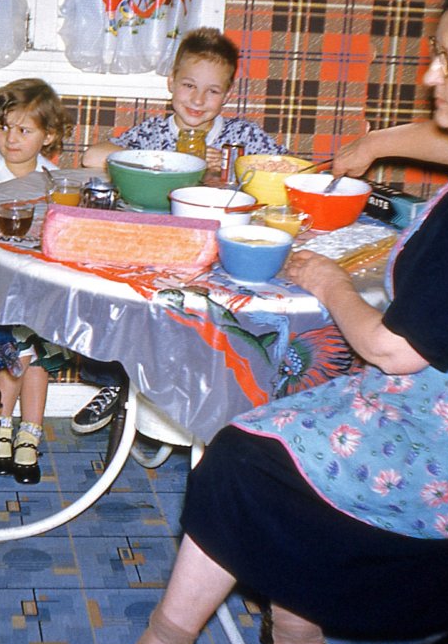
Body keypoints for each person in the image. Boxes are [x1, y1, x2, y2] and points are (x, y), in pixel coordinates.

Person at [61, 0, 448, 644]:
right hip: (444, 424)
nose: (431, 76)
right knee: (277, 419)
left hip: (446, 468)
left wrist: (329, 282)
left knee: (239, 462)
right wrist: (376, 142)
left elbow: (393, 349)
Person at [76, 26, 289, 435]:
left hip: (221, 256)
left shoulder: (241, 137)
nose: (197, 99)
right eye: (189, 85)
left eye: (212, 91)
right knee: (125, 295)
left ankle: (206, 402)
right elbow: (92, 155)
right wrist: (168, 160)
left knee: (223, 317)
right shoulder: (156, 133)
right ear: (171, 82)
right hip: (162, 249)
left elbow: (284, 174)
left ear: (227, 94)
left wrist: (234, 168)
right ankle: (121, 381)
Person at [0, 78, 72, 484]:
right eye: (3, 127)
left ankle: (29, 433)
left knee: (39, 351)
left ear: (49, 136)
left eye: (24, 130)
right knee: (20, 349)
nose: (11, 139)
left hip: (38, 289)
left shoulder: (55, 181)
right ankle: (2, 428)